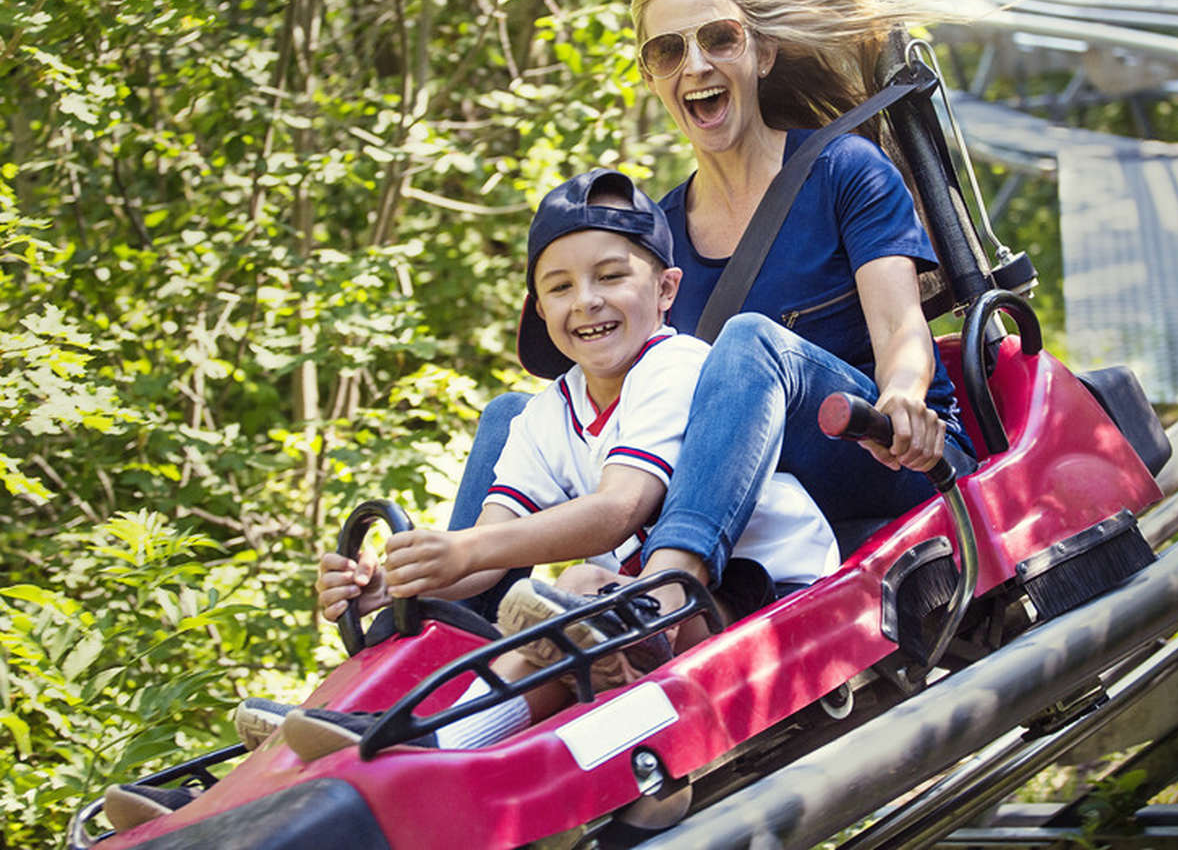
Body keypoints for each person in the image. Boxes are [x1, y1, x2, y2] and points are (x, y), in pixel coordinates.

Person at [101, 168, 839, 834]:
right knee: (533, 612)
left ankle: (425, 745)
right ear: (539, 306)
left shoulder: (676, 365)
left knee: (573, 596)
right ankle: (246, 793)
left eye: (611, 276)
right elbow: (488, 548)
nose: (586, 302)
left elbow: (618, 509)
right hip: (645, 613)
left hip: (756, 593)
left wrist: (467, 552)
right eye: (559, 286)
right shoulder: (551, 411)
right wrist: (392, 582)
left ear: (666, 290)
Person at [451, 0, 977, 628]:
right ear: (653, 76)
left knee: (748, 340)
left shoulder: (843, 172)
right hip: (742, 491)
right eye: (669, 50)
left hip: (882, 456)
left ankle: (665, 593)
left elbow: (901, 329)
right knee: (515, 415)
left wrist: (904, 397)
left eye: (719, 39)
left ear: (760, 53)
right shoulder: (656, 238)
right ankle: (425, 633)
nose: (694, 64)